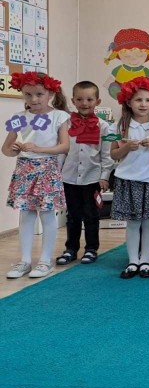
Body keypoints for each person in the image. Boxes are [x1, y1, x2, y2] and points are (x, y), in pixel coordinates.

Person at [3, 72, 70, 279]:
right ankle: (24, 261)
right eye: (28, 94)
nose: (34, 99)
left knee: (47, 214)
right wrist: (14, 149)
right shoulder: (18, 118)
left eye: (39, 94)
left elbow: (64, 146)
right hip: (24, 170)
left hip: (47, 169)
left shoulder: (59, 116)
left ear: (50, 93)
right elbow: (5, 149)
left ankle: (45, 261)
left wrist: (40, 149)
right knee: (26, 215)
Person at [109, 78, 149, 279]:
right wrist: (127, 147)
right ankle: (132, 261)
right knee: (133, 223)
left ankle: (145, 260)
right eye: (138, 100)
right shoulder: (121, 125)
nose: (143, 104)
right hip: (129, 181)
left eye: (148, 100)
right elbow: (113, 154)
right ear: (129, 102)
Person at [57, 81, 113, 266]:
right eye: (79, 99)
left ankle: (91, 249)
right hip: (69, 178)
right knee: (72, 216)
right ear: (73, 101)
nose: (84, 103)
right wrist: (57, 175)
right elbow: (62, 152)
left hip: (92, 178)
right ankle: (71, 249)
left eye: (89, 99)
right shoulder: (66, 124)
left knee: (91, 215)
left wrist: (104, 176)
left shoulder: (104, 126)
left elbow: (106, 154)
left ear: (97, 101)